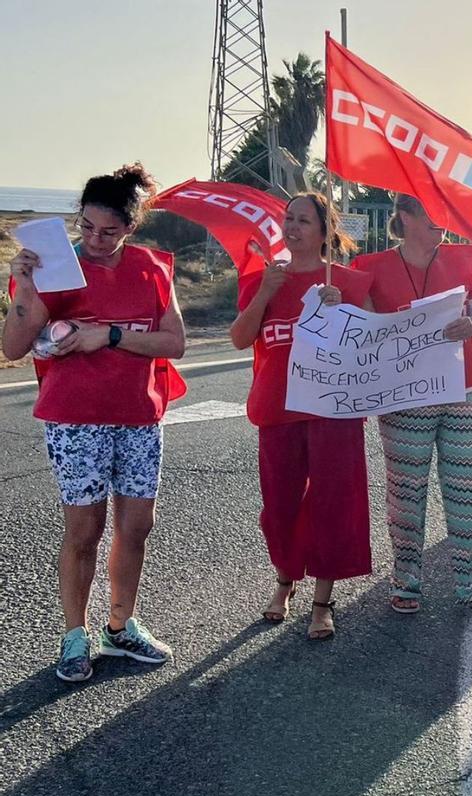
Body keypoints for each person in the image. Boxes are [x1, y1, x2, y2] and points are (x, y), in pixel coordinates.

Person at [3, 164, 185, 681]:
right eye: (86, 226)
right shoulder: (55, 270)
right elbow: (13, 348)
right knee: (85, 529)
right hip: (75, 417)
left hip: (139, 415)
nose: (95, 239)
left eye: (109, 231)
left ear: (131, 227)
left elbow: (174, 343)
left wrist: (105, 336)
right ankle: (74, 637)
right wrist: (23, 288)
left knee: (137, 526)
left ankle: (121, 627)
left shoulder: (153, 268)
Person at [350, 194, 472, 621]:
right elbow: (361, 331)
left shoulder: (468, 258)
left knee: (470, 490)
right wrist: (338, 301)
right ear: (404, 218)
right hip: (404, 400)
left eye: (444, 213)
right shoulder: (371, 268)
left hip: (463, 392)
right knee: (407, 495)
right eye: (430, 214)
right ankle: (405, 582)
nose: (440, 222)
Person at [229, 192, 372, 640]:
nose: (292, 227)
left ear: (325, 231)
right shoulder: (264, 278)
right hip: (276, 409)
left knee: (332, 502)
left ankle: (322, 602)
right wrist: (266, 293)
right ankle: (284, 580)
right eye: (288, 219)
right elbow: (239, 338)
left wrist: (343, 309)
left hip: (333, 411)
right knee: (280, 506)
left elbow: (372, 341)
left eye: (304, 220)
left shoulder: (345, 281)